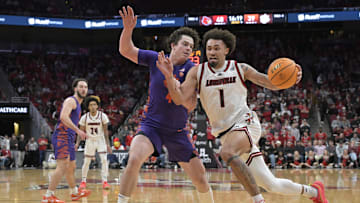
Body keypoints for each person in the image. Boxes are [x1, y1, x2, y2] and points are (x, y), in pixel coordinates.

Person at [157, 27, 328, 203]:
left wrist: (291, 77)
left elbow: (271, 83)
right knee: (271, 184)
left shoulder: (240, 68)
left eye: (216, 48)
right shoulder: (197, 72)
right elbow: (180, 99)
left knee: (227, 152)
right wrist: (169, 77)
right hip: (226, 134)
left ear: (226, 50)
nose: (212, 52)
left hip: (245, 123)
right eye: (209, 49)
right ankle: (314, 192)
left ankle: (258, 201)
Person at [117, 6, 214, 203]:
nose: (189, 48)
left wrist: (172, 79)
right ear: (173, 45)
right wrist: (128, 29)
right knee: (134, 159)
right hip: (151, 126)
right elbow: (126, 50)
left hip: (177, 131)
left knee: (201, 178)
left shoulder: (193, 70)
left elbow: (190, 105)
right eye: (185, 44)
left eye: (191, 46)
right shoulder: (156, 60)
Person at [42, 78, 91, 203]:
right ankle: (48, 196)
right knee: (62, 166)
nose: (83, 89)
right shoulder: (71, 100)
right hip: (61, 136)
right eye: (81, 86)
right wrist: (78, 131)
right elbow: (63, 117)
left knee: (72, 167)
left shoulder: (79, 105)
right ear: (75, 88)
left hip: (69, 138)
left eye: (85, 87)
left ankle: (74, 193)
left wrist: (74, 140)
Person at [76, 95, 112, 189]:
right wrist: (77, 143)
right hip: (90, 140)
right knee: (87, 161)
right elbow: (81, 132)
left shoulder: (102, 116)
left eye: (94, 104)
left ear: (97, 106)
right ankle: (83, 181)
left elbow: (105, 132)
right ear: (88, 106)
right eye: (91, 105)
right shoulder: (84, 117)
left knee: (104, 160)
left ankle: (105, 181)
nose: (93, 106)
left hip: (100, 140)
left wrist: (108, 144)